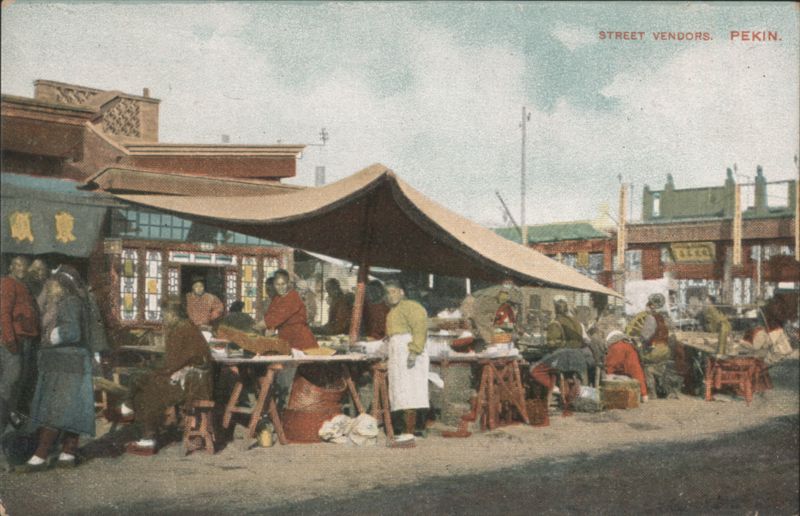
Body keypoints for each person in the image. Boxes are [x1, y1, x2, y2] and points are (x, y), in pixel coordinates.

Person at [15, 269, 93, 471]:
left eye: (54, 285)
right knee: (71, 409)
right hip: (73, 362)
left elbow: (72, 331)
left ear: (62, 286)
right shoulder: (77, 302)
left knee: (55, 409)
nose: (50, 288)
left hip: (65, 363)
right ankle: (67, 454)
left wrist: (49, 337)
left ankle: (40, 456)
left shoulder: (68, 302)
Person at [126, 297, 213, 453]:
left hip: (190, 384)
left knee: (146, 389)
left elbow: (171, 365)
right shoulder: (189, 327)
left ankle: (148, 439)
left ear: (172, 314)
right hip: (198, 380)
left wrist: (152, 370)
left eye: (164, 314)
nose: (164, 318)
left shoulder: (179, 330)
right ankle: (138, 421)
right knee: (145, 381)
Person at [384, 279, 429, 442]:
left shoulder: (412, 307)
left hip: (408, 350)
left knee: (410, 390)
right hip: (397, 352)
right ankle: (403, 429)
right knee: (400, 390)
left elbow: (420, 329)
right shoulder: (393, 311)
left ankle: (410, 431)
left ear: (402, 292)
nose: (390, 296)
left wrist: (414, 351)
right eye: (388, 292)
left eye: (394, 291)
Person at [1, 256, 40, 434]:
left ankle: (11, 423)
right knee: (12, 381)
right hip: (15, 341)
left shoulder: (23, 285)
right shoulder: (9, 283)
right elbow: (4, 313)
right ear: (11, 267)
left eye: (24, 266)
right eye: (17, 265)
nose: (21, 268)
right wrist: (10, 340)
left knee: (20, 382)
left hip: (26, 340)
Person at [528, 346, 596, 412]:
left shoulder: (576, 357)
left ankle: (566, 399)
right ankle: (564, 399)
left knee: (568, 385)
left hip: (561, 373)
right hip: (557, 372)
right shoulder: (575, 356)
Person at [263, 269, 317, 350]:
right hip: (288, 342)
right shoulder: (272, 301)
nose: (268, 292)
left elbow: (271, 320)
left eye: (271, 290)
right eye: (267, 289)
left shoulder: (291, 298)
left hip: (301, 342)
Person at [604, 330, 648, 402]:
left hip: (627, 367)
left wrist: (607, 371)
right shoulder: (627, 344)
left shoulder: (616, 346)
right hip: (633, 365)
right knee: (639, 379)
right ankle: (643, 396)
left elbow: (612, 363)